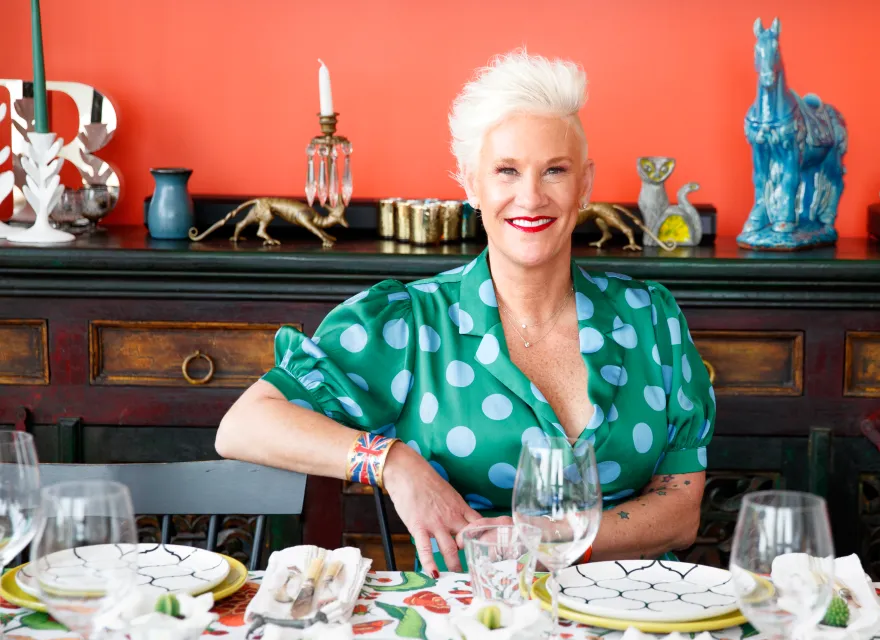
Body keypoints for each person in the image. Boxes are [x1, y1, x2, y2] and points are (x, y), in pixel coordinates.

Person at [215, 50, 715, 577]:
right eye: (506, 171)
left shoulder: (650, 318)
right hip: (475, 622)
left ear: (585, 184)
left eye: (555, 171)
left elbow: (680, 512)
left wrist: (550, 540)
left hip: (635, 616)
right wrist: (390, 462)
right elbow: (243, 425)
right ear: (472, 185)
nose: (531, 196)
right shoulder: (411, 322)